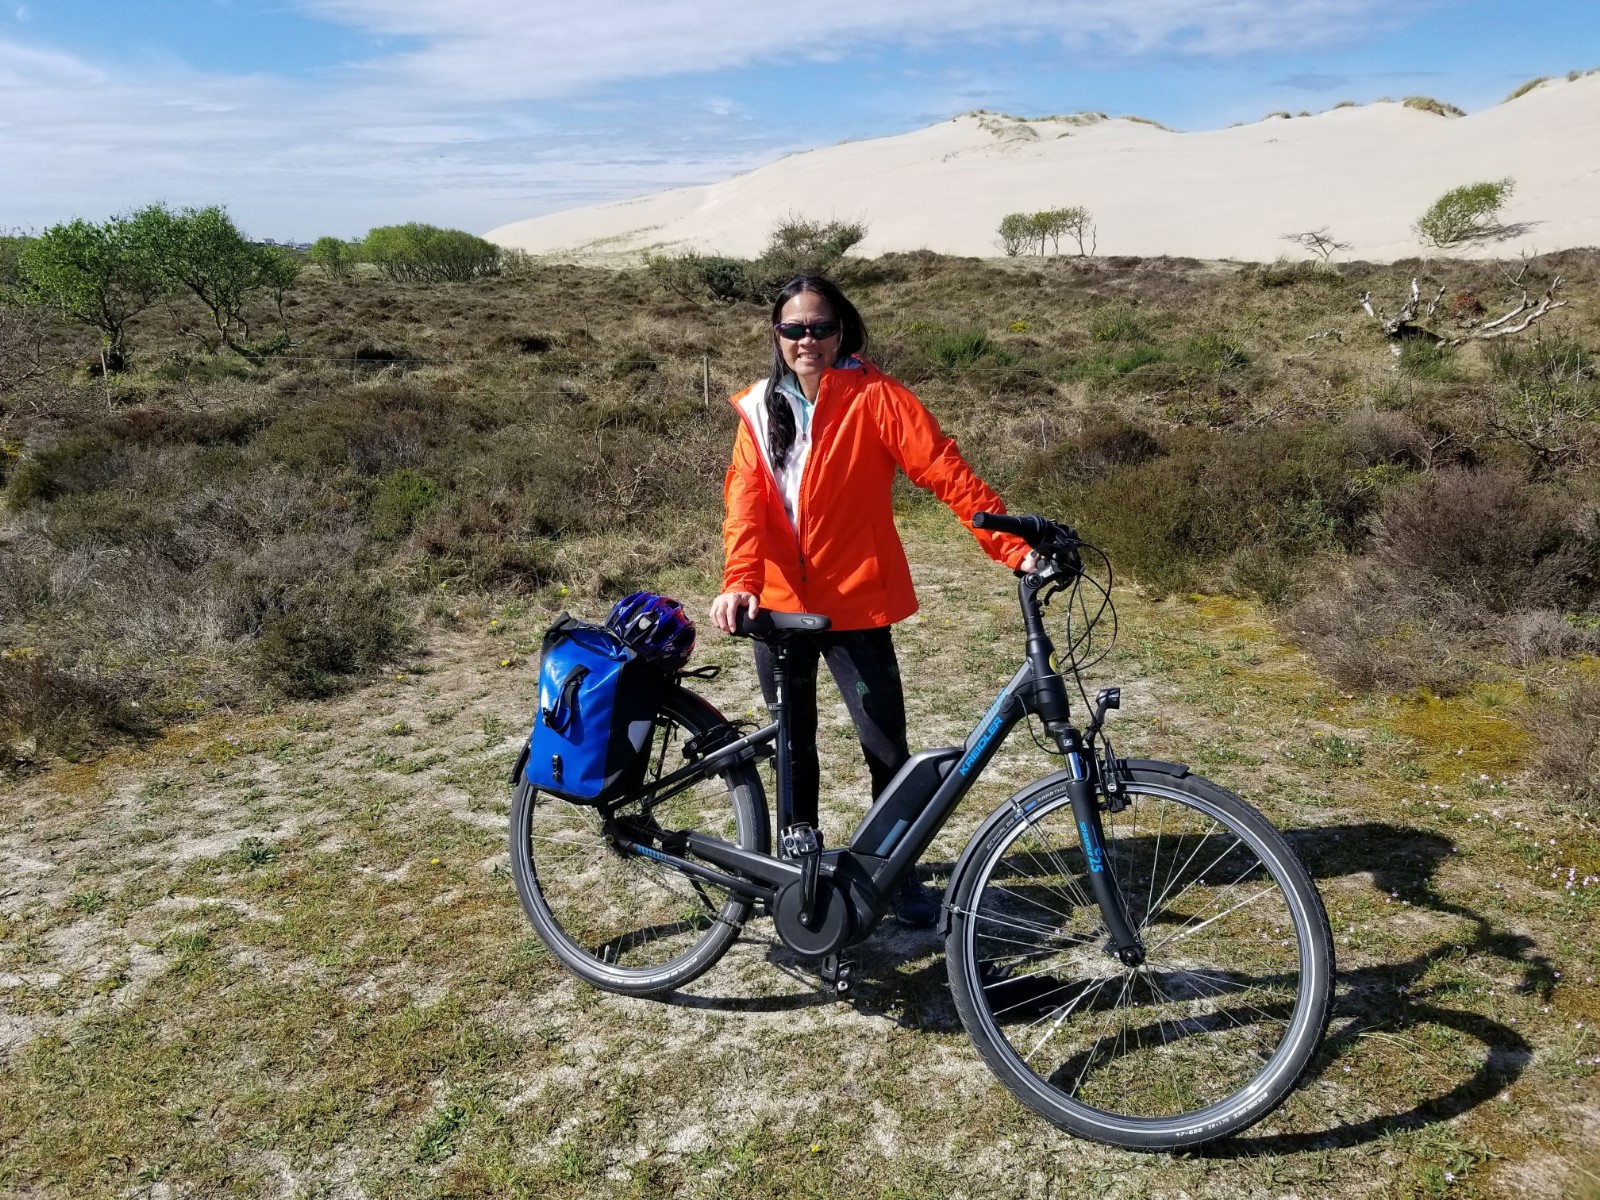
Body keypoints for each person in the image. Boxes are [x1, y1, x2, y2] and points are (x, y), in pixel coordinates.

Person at [709, 274, 1034, 928]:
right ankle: (796, 879)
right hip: (779, 609)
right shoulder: (757, 407)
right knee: (794, 749)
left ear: (842, 331)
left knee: (886, 749)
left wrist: (1013, 546)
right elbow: (745, 505)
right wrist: (740, 578)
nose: (808, 340)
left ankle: (898, 875)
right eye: (794, 329)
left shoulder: (877, 398)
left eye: (820, 328)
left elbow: (945, 471)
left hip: (857, 604)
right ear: (777, 336)